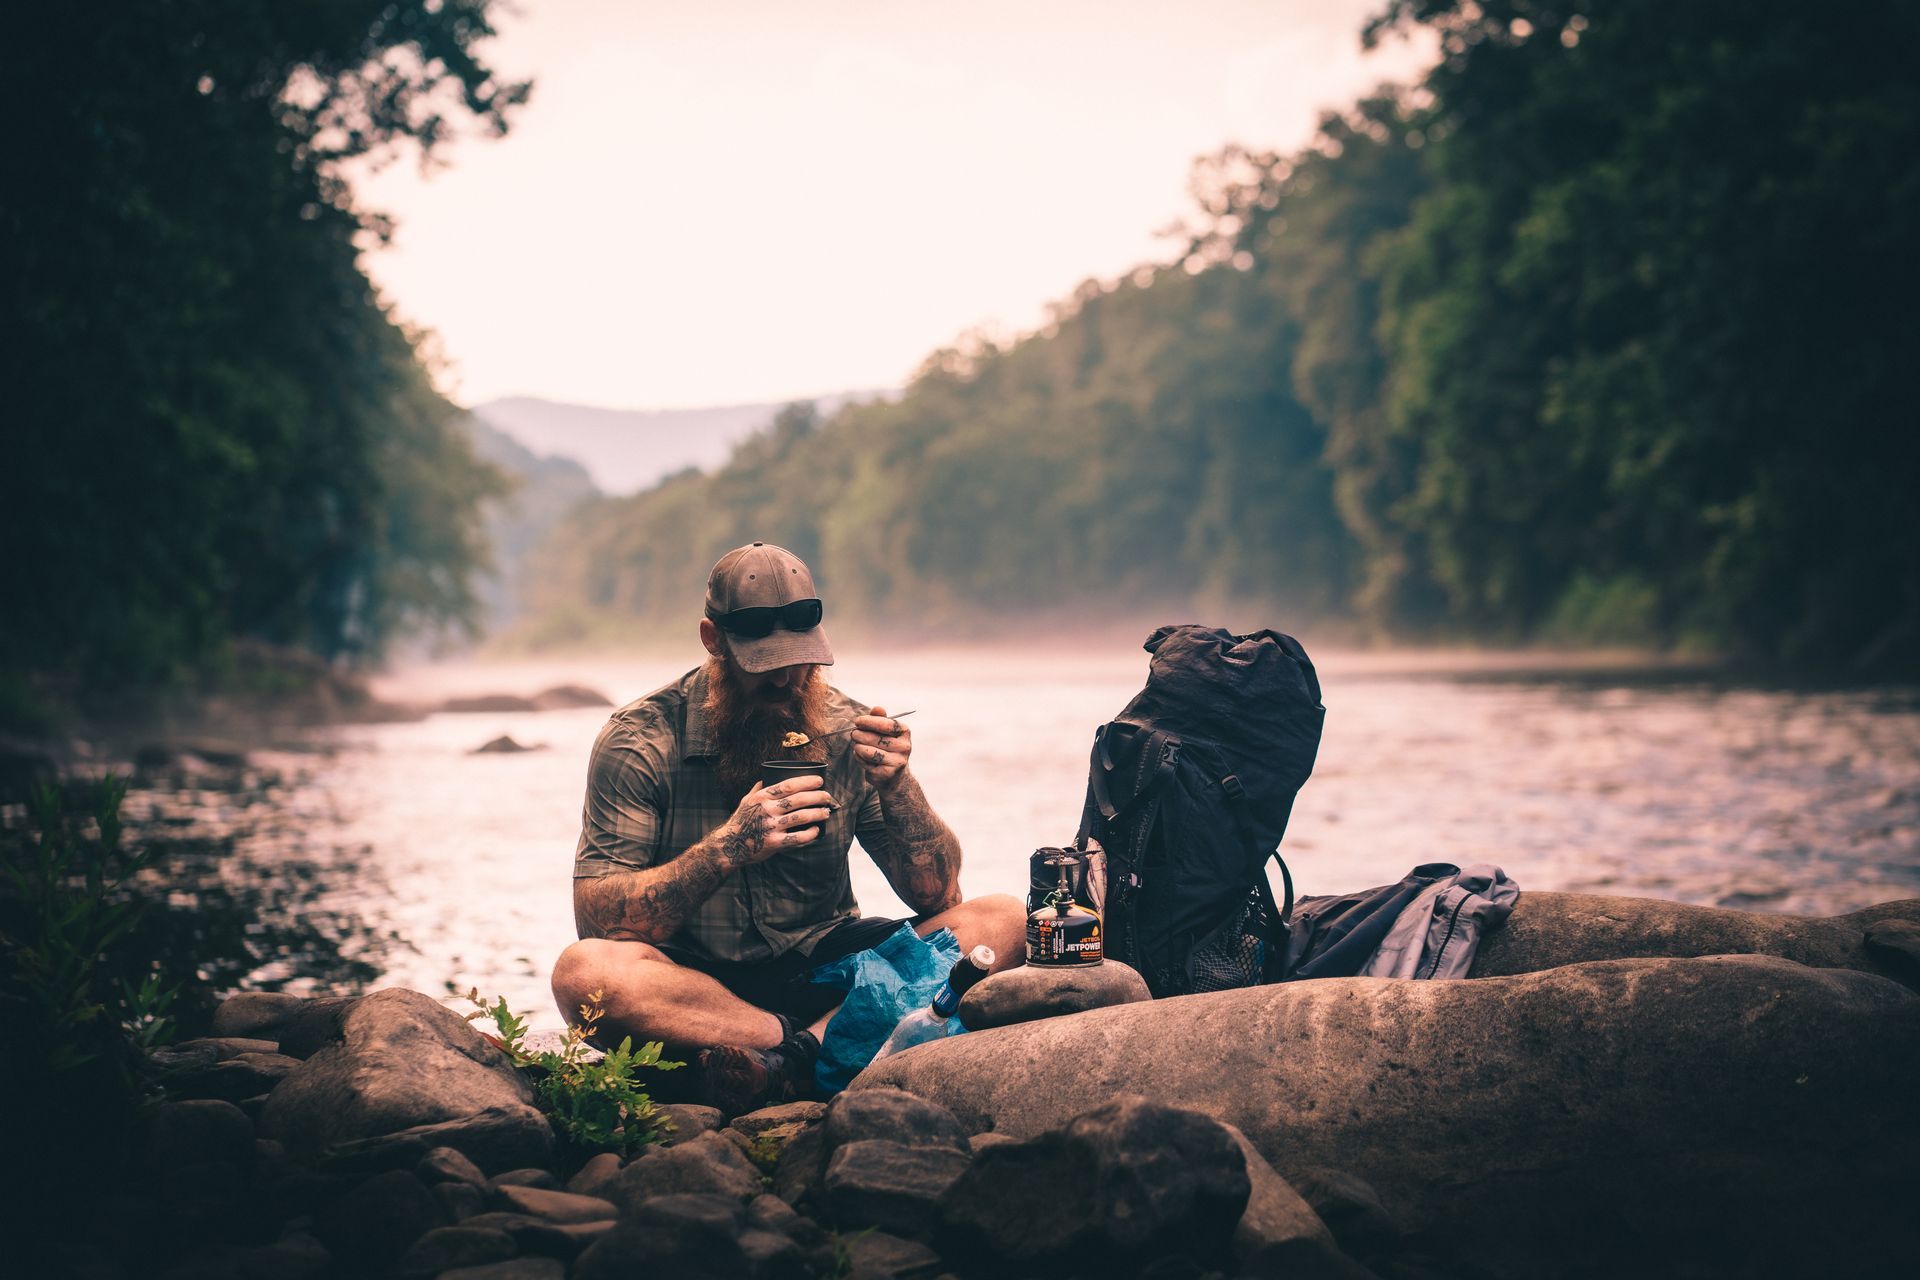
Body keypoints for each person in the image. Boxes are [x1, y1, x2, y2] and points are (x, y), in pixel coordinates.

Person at [550, 541, 1024, 1112]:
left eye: (801, 659)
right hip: (694, 983)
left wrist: (899, 787)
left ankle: (790, 1062)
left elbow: (938, 896)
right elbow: (596, 920)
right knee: (583, 975)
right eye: (764, 665)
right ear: (713, 640)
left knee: (1004, 920)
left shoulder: (846, 727)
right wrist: (726, 849)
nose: (787, 679)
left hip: (827, 966)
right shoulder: (641, 739)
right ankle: (808, 1048)